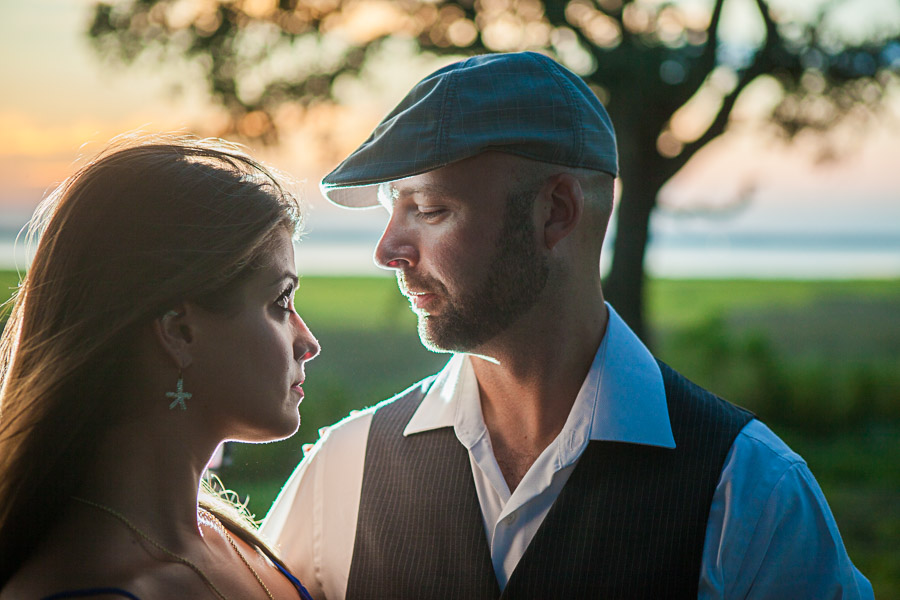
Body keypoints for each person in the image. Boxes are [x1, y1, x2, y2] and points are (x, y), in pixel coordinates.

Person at [263, 52, 873, 599]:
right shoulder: (344, 469)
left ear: (556, 212)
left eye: (428, 209)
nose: (388, 248)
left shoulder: (751, 494)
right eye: (391, 209)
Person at [0, 135, 320, 599]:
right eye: (280, 301)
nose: (308, 342)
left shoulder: (228, 538)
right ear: (180, 332)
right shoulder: (96, 586)